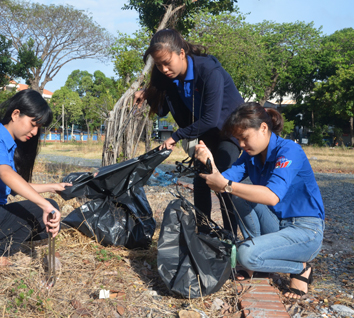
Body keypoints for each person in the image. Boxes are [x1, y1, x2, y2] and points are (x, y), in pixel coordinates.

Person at [195, 102, 324, 299]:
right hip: (278, 224)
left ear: (263, 128)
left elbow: (271, 196)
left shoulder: (289, 151)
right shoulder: (251, 155)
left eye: (244, 138)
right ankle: (254, 254)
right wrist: (209, 163)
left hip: (305, 230)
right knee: (238, 194)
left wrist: (226, 185)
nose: (241, 145)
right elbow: (225, 178)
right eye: (238, 140)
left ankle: (300, 268)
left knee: (244, 255)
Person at [133, 29, 244, 235]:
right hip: (207, 133)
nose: (164, 69)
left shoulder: (209, 71)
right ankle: (203, 233)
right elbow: (163, 102)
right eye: (158, 64)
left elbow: (211, 118)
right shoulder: (169, 75)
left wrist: (176, 136)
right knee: (201, 181)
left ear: (181, 53)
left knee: (221, 181)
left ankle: (231, 237)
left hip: (230, 131)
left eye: (167, 62)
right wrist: (147, 93)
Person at [0, 89, 71, 269]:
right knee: (45, 210)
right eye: (33, 123)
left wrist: (53, 187)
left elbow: (16, 185)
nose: (35, 131)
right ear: (16, 114)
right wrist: (44, 205)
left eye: (39, 127)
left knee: (46, 225)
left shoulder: (7, 145)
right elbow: (7, 175)